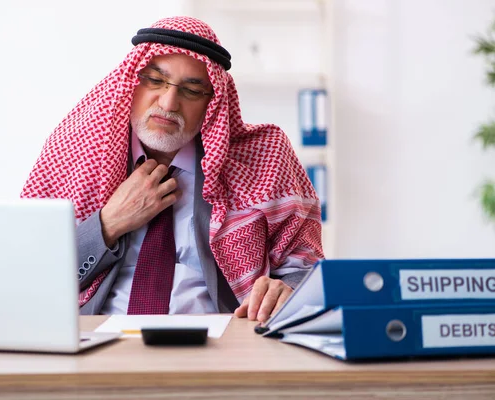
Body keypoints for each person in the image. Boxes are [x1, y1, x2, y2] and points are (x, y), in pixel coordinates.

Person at [21, 16, 324, 322]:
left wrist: (287, 289)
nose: (168, 103)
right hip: (98, 343)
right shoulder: (78, 151)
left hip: (224, 347)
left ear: (213, 102)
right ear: (130, 82)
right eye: (154, 81)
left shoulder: (262, 158)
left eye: (191, 90)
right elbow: (31, 277)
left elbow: (305, 271)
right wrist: (108, 224)